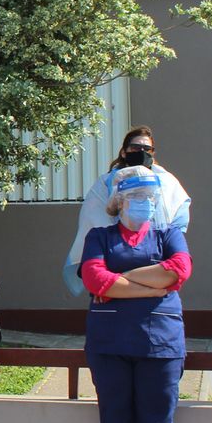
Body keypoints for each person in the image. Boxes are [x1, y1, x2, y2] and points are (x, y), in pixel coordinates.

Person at [79, 166, 192, 423]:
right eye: (136, 197)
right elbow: (94, 278)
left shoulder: (169, 235)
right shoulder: (99, 237)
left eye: (149, 197)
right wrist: (155, 286)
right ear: (119, 201)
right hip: (110, 345)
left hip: (160, 345)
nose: (144, 204)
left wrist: (122, 283)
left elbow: (179, 269)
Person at [62, 126, 191, 297]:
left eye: (147, 149)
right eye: (136, 148)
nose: (142, 152)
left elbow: (178, 228)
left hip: (156, 264)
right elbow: (92, 220)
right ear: (124, 152)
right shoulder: (105, 183)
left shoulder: (168, 183)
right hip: (113, 261)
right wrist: (112, 279)